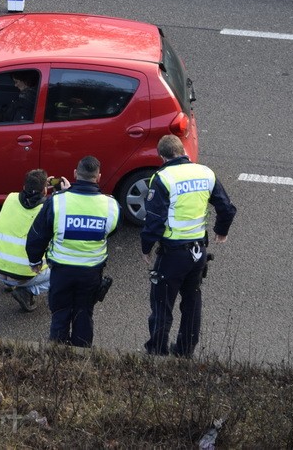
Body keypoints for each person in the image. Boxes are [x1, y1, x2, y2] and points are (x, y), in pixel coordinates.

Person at [141, 135, 237, 358]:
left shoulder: (163, 178)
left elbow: (154, 219)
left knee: (162, 304)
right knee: (192, 301)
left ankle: (157, 349)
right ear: (183, 150)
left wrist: (146, 247)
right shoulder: (205, 173)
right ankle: (185, 351)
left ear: (162, 157)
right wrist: (221, 231)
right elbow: (227, 208)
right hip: (198, 252)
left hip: (173, 254)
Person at [26, 156, 119, 346]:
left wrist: (35, 261)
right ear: (98, 177)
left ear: (76, 174)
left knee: (60, 313)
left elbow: (38, 235)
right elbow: (111, 231)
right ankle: (81, 356)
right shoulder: (111, 206)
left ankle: (57, 356)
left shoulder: (58, 202)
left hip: (62, 271)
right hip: (91, 273)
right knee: (84, 313)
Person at [0, 169, 66, 311]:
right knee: (66, 273)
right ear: (45, 191)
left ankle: (9, 284)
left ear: (24, 187)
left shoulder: (10, 198)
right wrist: (61, 193)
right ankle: (28, 292)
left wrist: (39, 186)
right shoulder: (49, 209)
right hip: (24, 274)